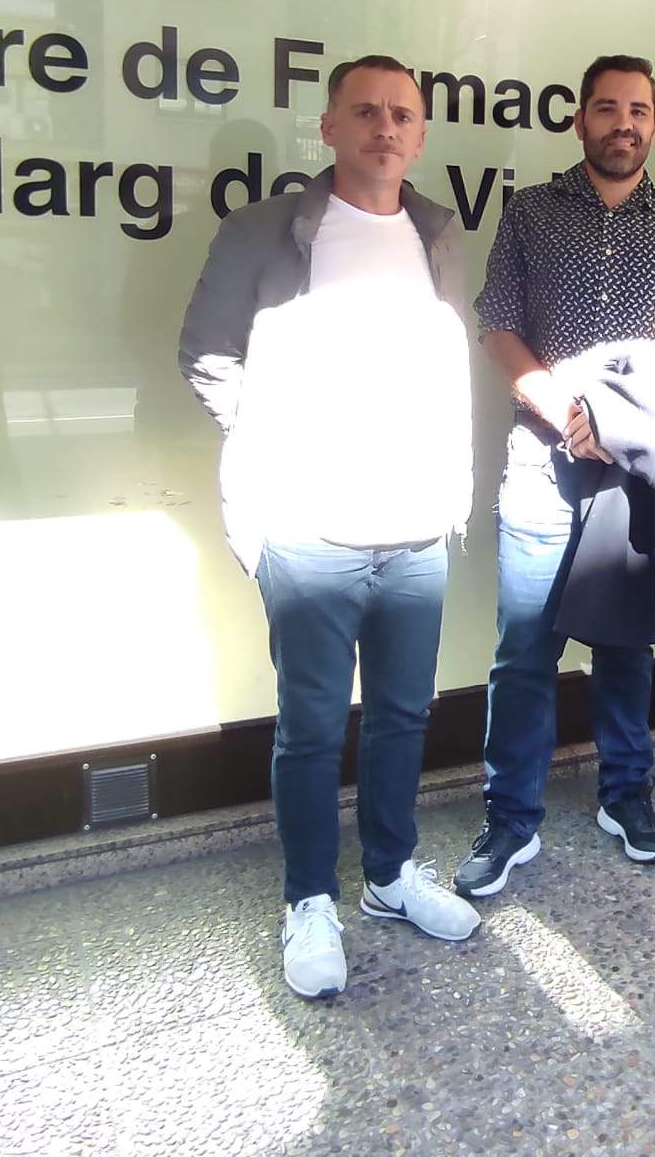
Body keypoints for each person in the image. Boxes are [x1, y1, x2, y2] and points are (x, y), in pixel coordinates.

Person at [178, 54, 479, 1000]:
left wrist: (451, 497)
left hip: (415, 530)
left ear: (421, 134)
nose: (385, 128)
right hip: (309, 530)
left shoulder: (437, 233)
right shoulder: (269, 229)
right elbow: (207, 353)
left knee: (401, 717)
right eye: (365, 112)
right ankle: (309, 899)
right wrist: (276, 453)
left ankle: (388, 876)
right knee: (310, 730)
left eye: (402, 114)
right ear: (330, 127)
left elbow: (446, 368)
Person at [454, 54, 655, 897]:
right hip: (542, 464)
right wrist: (560, 410)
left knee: (626, 646)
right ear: (578, 120)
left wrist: (636, 413)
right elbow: (499, 323)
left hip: (637, 475)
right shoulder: (532, 212)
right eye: (607, 108)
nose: (624, 123)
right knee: (524, 650)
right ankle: (510, 817)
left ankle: (626, 795)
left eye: (639, 109)